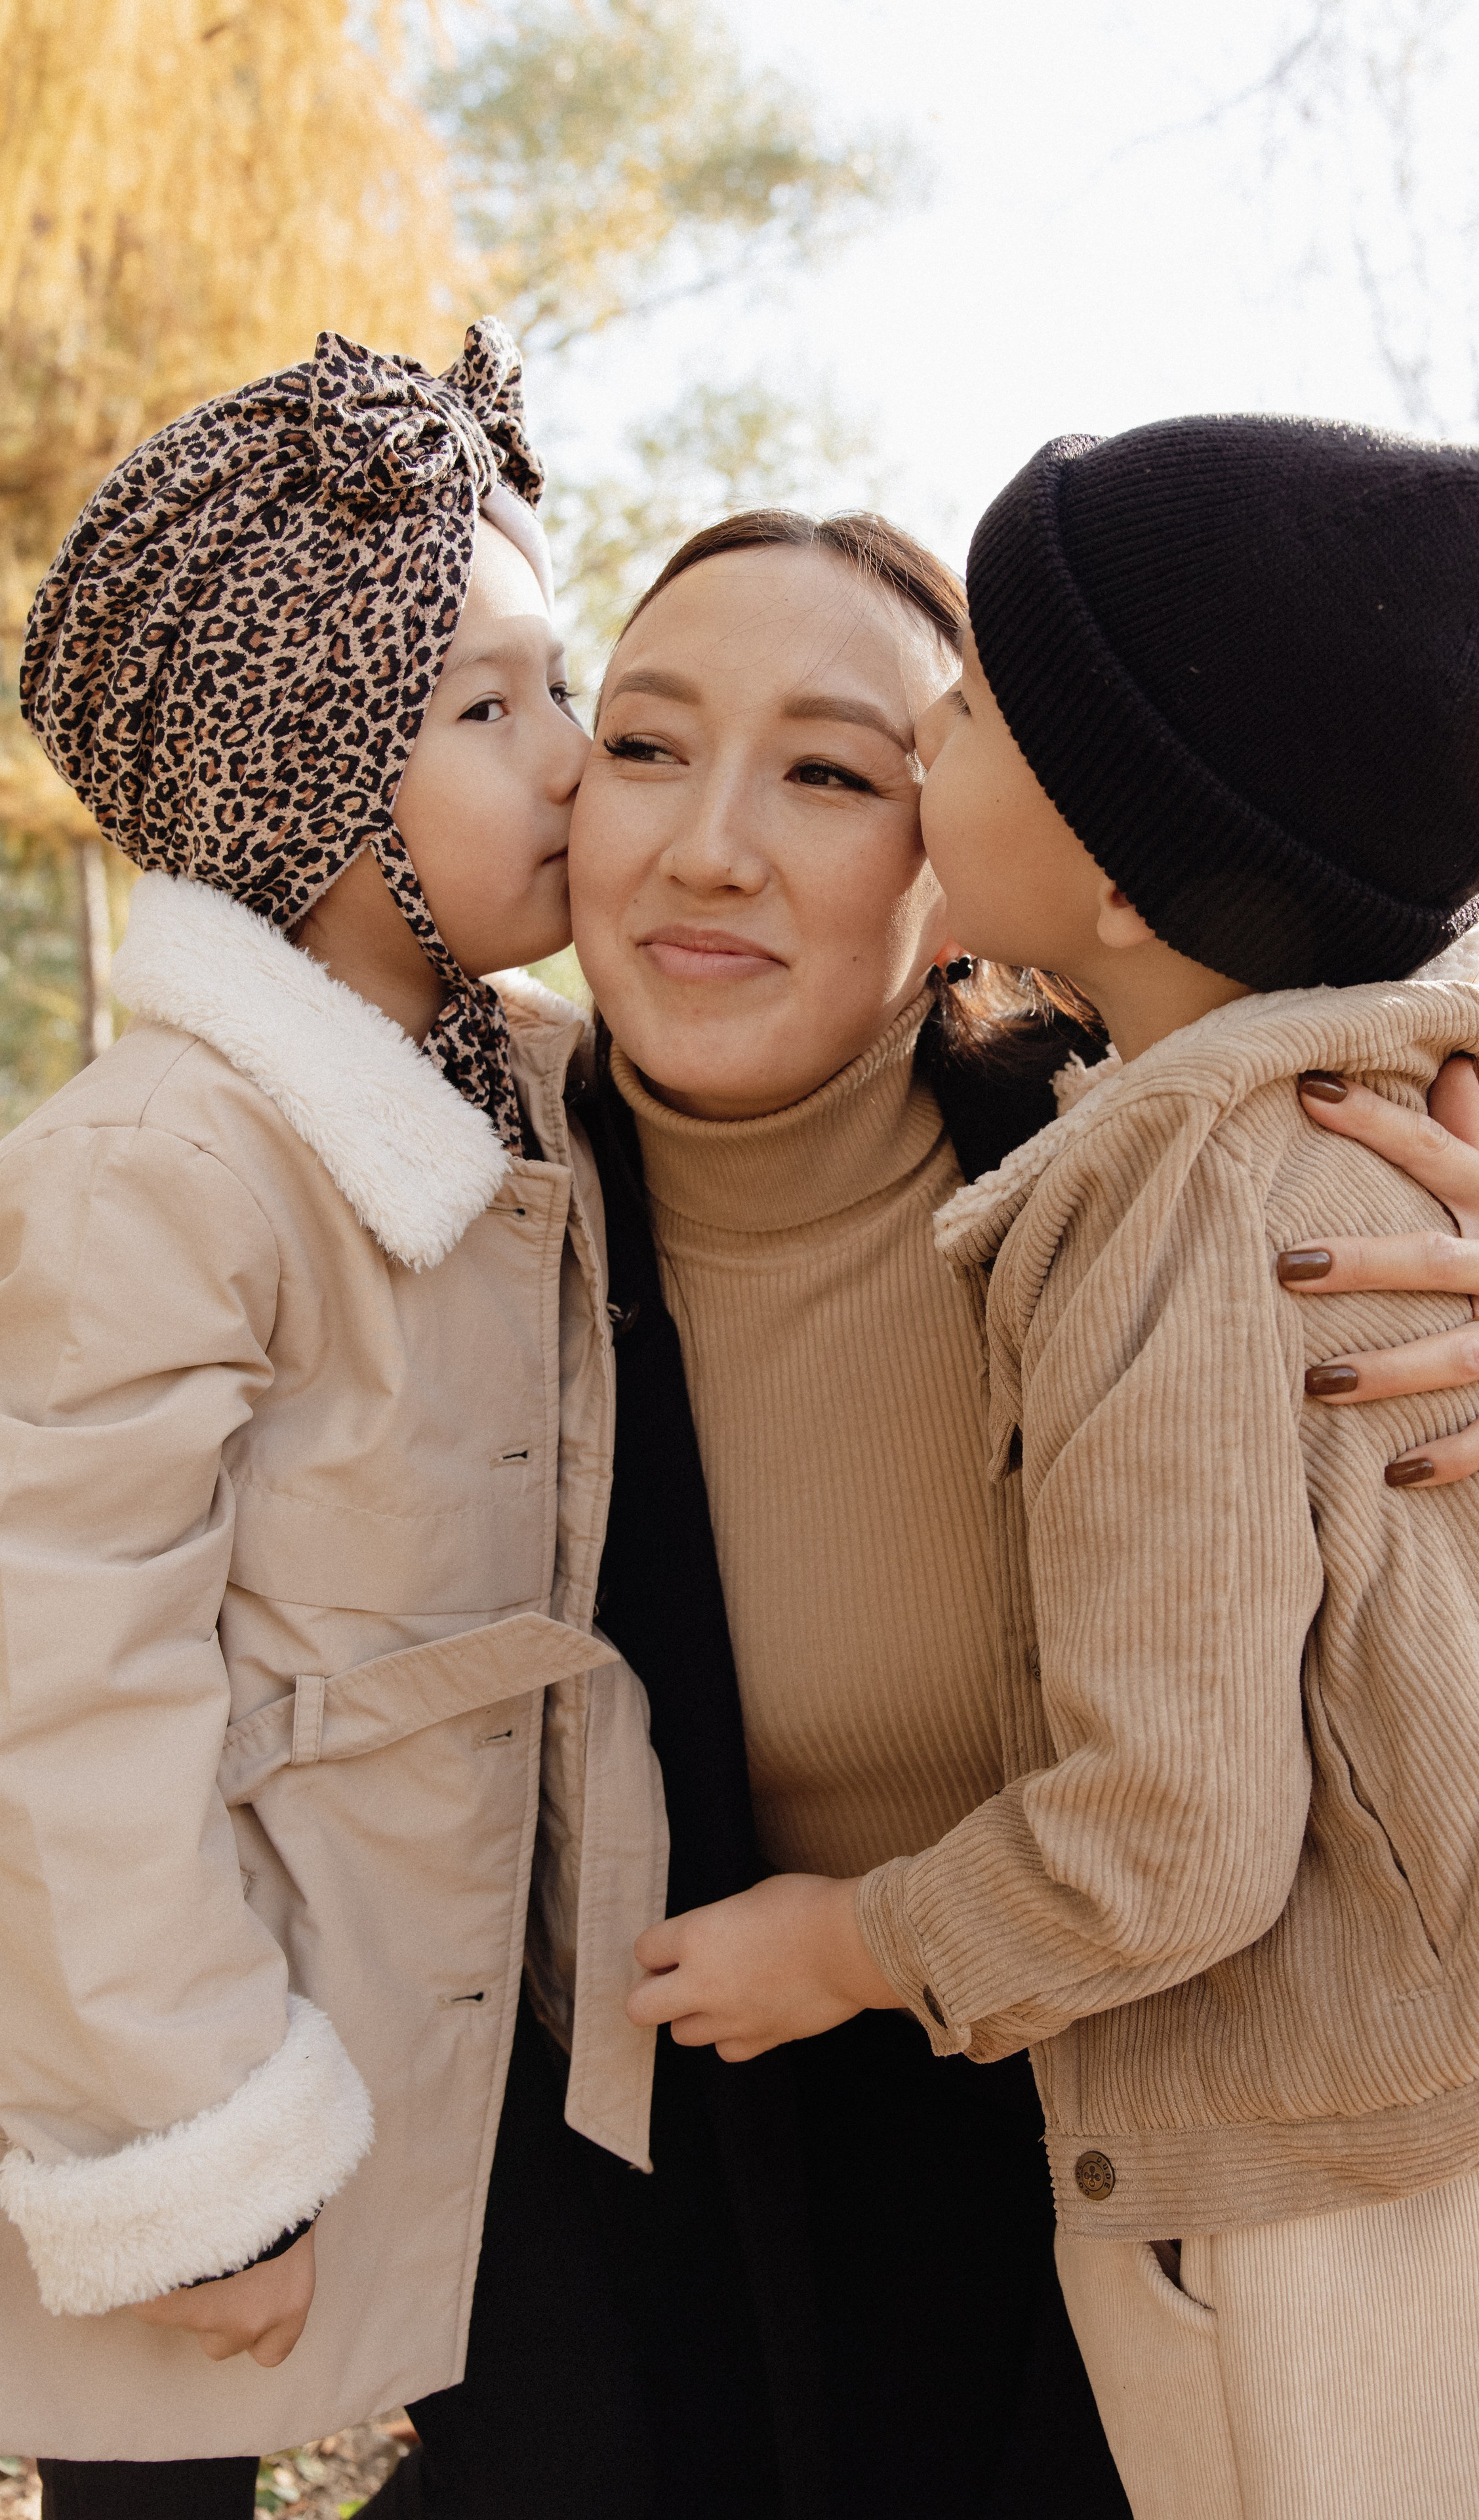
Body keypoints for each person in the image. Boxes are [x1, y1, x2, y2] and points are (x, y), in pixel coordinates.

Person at [382, 498, 1479, 2519]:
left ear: (991, 861)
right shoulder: (436, 1215)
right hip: (703, 2282)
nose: (711, 841)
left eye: (838, 767)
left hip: (1221, 2228)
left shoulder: (1199, 1165)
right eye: (642, 741)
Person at [0, 320, 661, 2519]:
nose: (575, 757)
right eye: (486, 707)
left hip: (474, 2021)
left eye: (562, 685)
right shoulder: (167, 1165)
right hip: (220, 2040)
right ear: (296, 771)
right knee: (156, 2480)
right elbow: (60, 1683)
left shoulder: (532, 1086)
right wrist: (190, 2127)